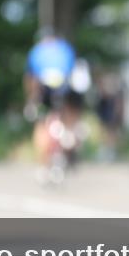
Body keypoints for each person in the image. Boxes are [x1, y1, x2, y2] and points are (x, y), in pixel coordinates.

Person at [24, 27, 80, 182]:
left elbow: (31, 78)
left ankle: (43, 165)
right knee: (68, 117)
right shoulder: (65, 48)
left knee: (41, 125)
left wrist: (31, 100)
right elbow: (73, 74)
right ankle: (69, 138)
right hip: (64, 89)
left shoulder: (37, 50)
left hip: (44, 90)